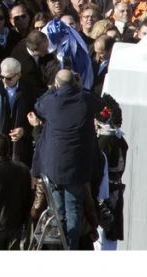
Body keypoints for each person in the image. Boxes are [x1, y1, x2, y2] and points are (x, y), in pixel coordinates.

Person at [29, 69, 104, 249]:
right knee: (74, 210)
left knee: (59, 210)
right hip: (76, 170)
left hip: (53, 168)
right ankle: (71, 247)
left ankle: (61, 246)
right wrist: (79, 88)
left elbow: (38, 106)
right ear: (75, 83)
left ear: (56, 83)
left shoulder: (51, 102)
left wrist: (52, 90)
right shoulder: (84, 101)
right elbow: (99, 103)